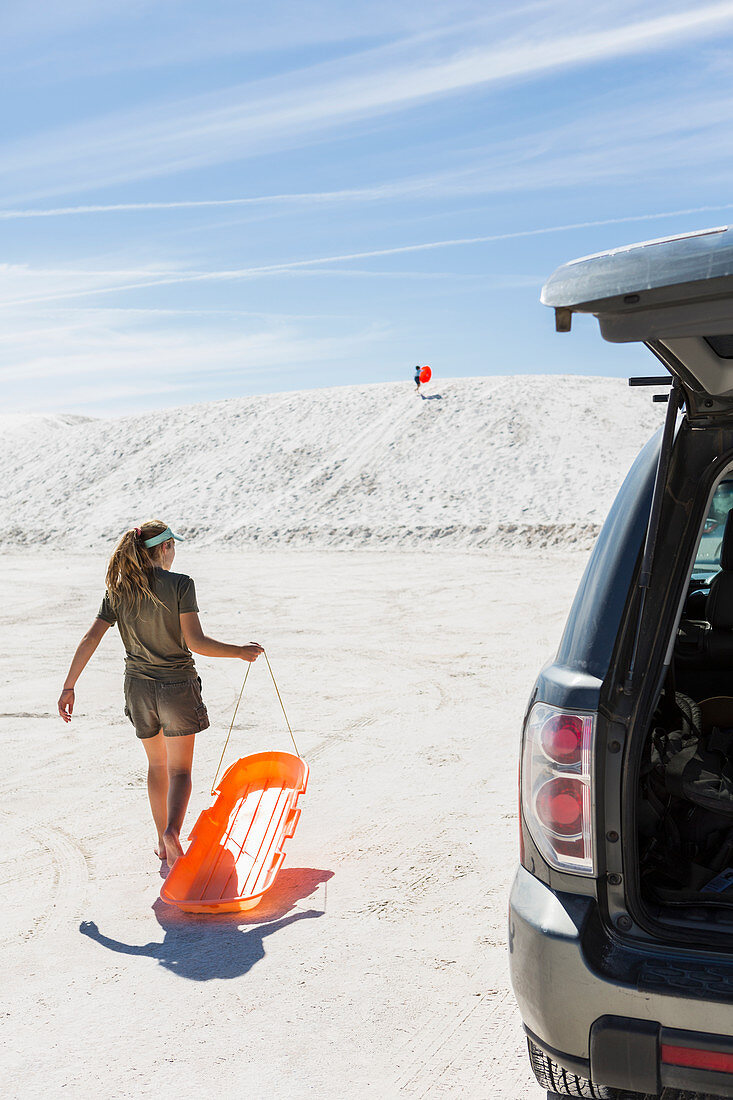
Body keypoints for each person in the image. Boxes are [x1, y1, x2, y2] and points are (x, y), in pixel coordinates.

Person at [57, 520, 263, 867]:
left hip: (137, 690)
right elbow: (196, 643)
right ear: (165, 548)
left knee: (157, 765)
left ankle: (162, 842)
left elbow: (91, 638)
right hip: (177, 687)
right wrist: (239, 651)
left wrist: (69, 685)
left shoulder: (118, 589)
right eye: (173, 546)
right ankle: (172, 831)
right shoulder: (181, 584)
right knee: (180, 771)